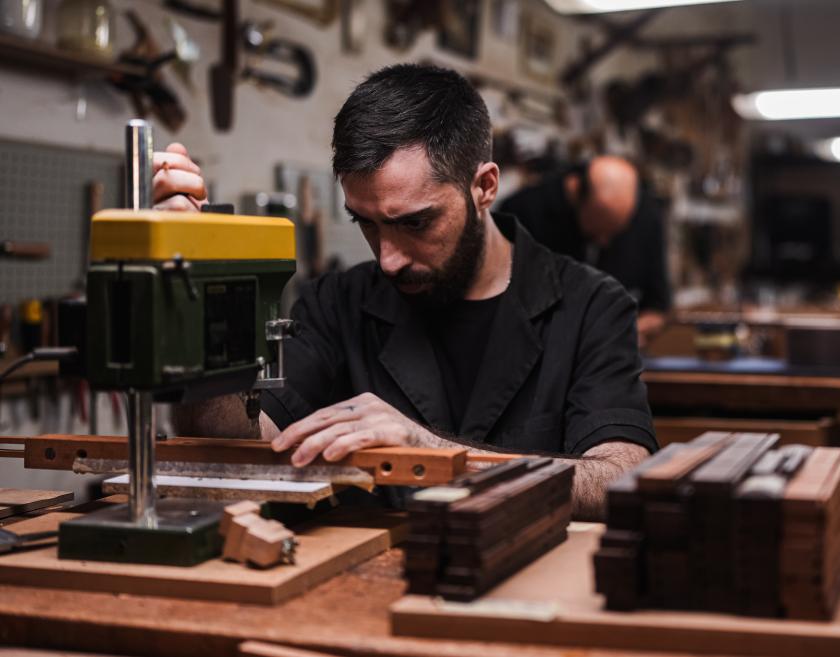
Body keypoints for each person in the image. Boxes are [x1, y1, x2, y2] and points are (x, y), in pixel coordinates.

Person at [154, 64, 656, 519]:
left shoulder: (593, 305)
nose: (388, 257)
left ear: (483, 186)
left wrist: (434, 455)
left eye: (415, 222)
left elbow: (620, 480)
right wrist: (198, 272)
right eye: (367, 224)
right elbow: (234, 443)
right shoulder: (337, 304)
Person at [498, 156, 670, 345]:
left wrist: (626, 332)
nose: (605, 242)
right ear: (575, 190)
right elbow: (501, 305)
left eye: (615, 231)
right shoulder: (522, 212)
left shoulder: (647, 218)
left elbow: (657, 308)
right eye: (599, 229)